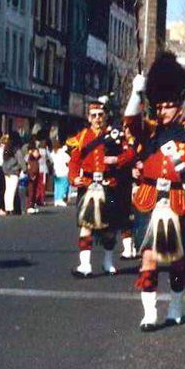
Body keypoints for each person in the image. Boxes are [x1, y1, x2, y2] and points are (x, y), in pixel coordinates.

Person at [123, 53, 185, 331]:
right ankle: (150, 313)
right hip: (149, 200)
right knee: (148, 257)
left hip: (178, 202)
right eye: (159, 106)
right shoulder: (149, 132)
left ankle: (175, 306)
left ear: (179, 107)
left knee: (177, 261)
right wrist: (136, 92)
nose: (161, 111)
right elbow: (130, 121)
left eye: (167, 107)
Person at [67, 98, 133, 277]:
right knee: (86, 226)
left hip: (109, 186)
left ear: (105, 117)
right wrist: (74, 178)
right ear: (89, 118)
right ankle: (85, 265)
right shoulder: (81, 137)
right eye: (94, 115)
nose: (97, 119)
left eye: (100, 115)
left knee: (110, 228)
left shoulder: (115, 135)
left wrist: (116, 161)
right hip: (88, 187)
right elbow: (74, 162)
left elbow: (130, 154)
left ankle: (107, 262)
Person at [51, 139, 71, 207]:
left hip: (56, 171)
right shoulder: (62, 153)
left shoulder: (52, 153)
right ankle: (60, 199)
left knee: (57, 186)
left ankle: (56, 199)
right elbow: (69, 161)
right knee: (63, 186)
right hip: (63, 171)